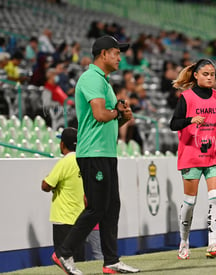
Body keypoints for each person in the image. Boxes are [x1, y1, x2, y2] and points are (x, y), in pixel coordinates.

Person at [51, 35, 140, 275]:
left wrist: (121, 115)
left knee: (111, 206)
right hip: (93, 153)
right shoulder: (91, 78)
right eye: (116, 52)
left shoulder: (103, 81)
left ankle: (111, 261)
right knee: (98, 207)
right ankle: (63, 252)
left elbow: (106, 116)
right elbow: (100, 114)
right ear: (103, 54)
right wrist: (115, 112)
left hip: (105, 153)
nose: (120, 57)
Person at [170, 58, 216, 260]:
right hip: (191, 155)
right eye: (206, 74)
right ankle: (184, 241)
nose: (210, 77)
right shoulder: (186, 97)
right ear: (195, 75)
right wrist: (190, 120)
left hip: (214, 154)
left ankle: (213, 244)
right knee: (190, 202)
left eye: (212, 74)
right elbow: (174, 124)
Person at [41, 127, 85, 262]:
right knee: (79, 260)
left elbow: (46, 185)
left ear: (62, 144)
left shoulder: (64, 162)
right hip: (80, 218)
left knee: (64, 260)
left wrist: (47, 178)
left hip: (63, 218)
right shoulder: (83, 160)